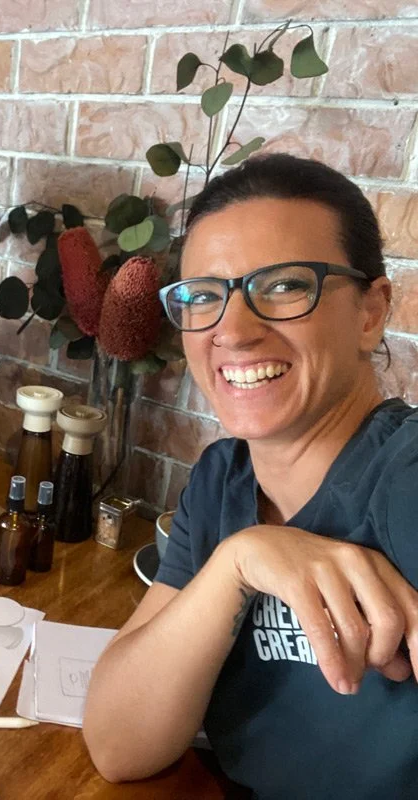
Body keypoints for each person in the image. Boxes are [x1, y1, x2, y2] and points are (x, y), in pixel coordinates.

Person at [83, 154, 418, 798]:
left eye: (287, 286)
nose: (232, 331)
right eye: (203, 296)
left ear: (371, 311)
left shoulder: (403, 476)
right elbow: (118, 743)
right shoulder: (221, 481)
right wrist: (243, 559)